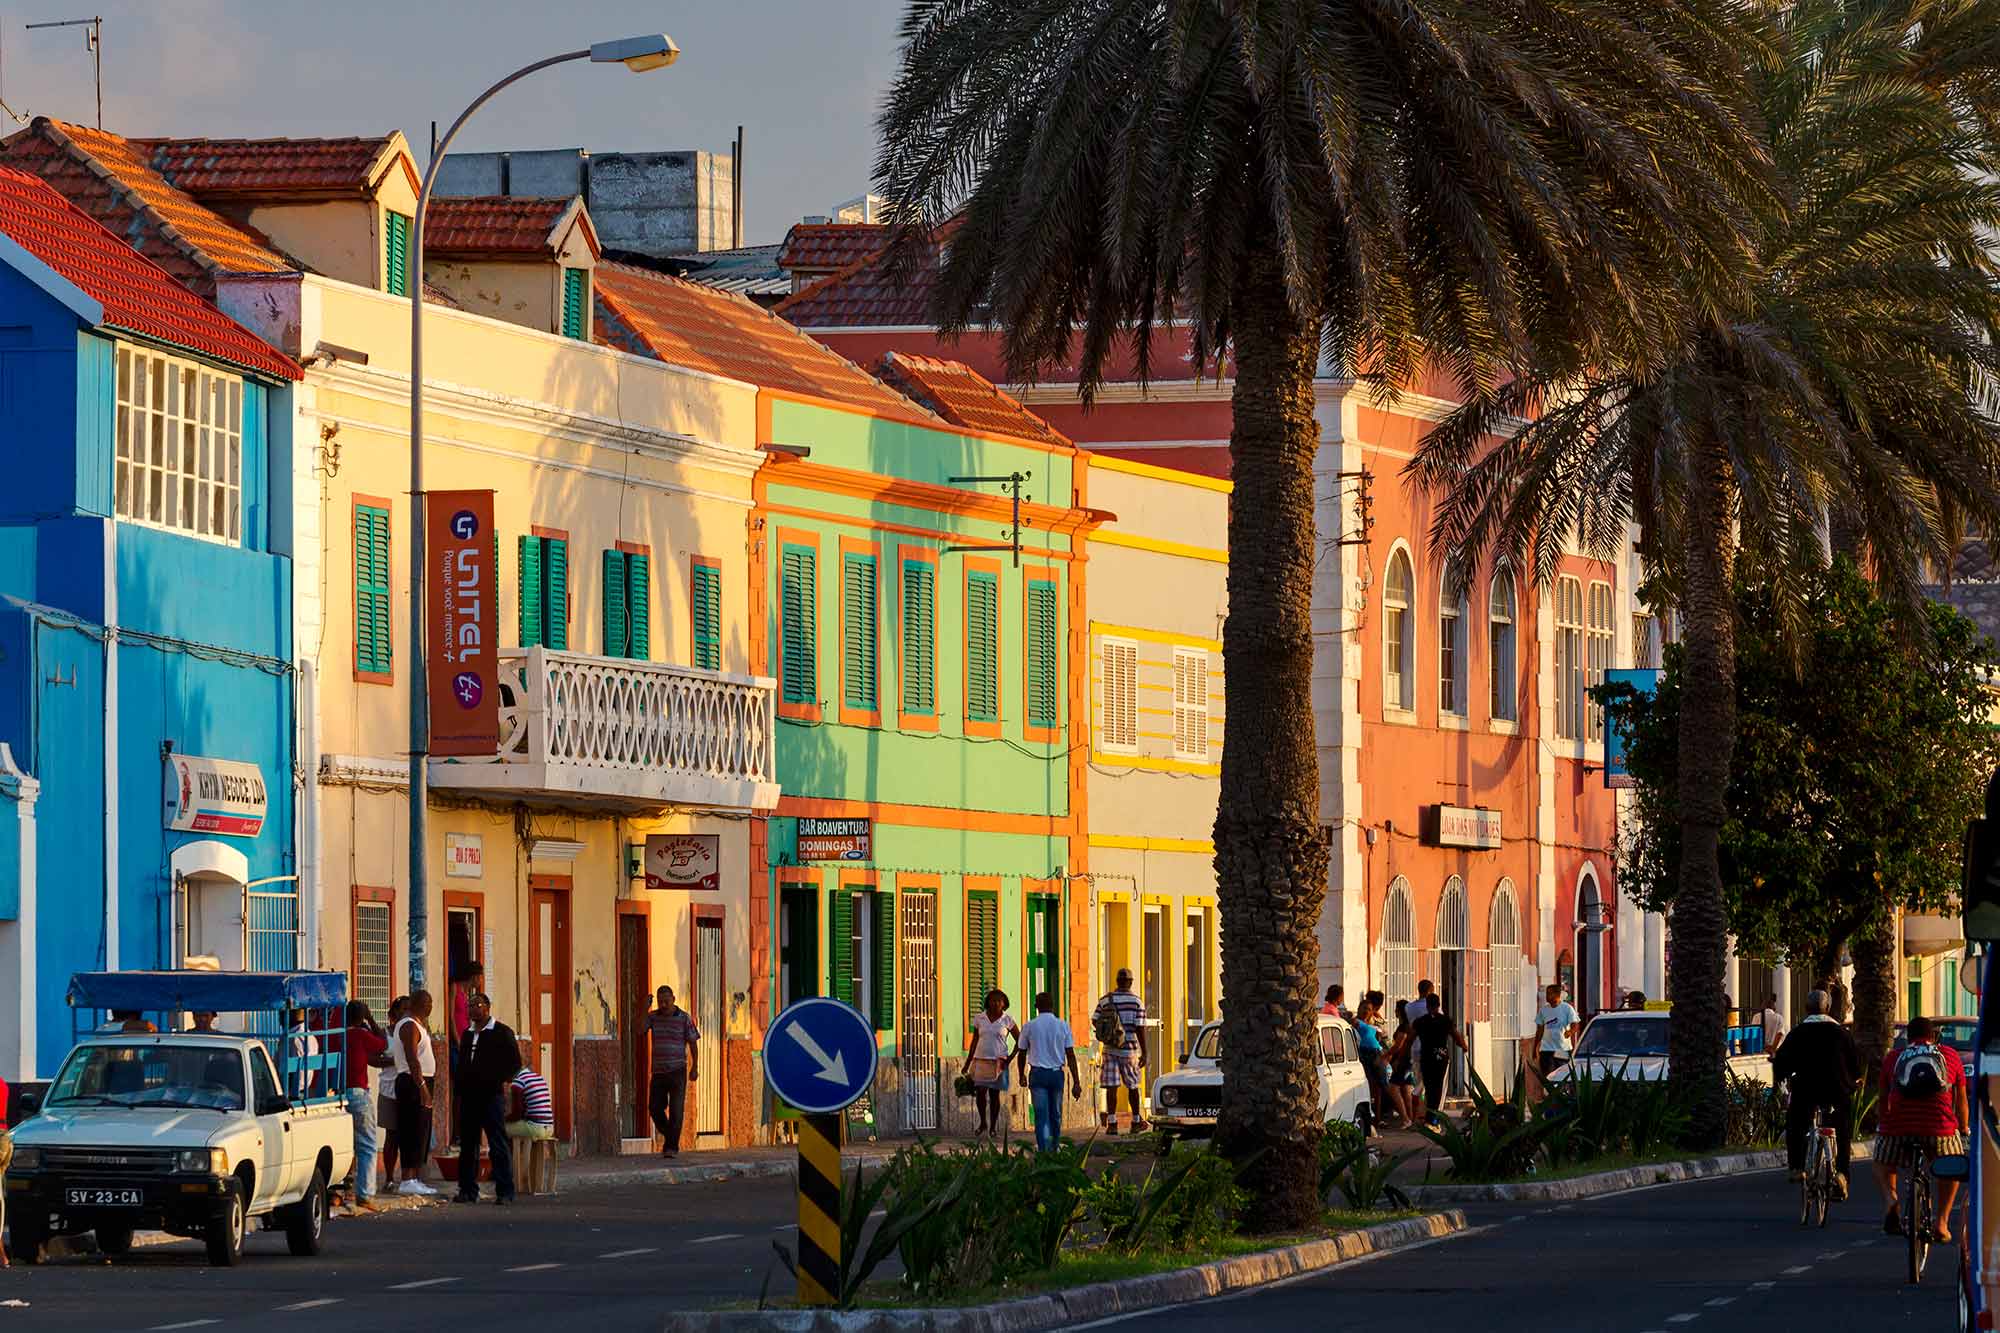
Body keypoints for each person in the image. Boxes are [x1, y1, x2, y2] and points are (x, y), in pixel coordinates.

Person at [1875, 1015, 1969, 1241]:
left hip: (1898, 1128)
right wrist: (1963, 1128)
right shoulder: (1950, 1056)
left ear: (1908, 1037)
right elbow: (1961, 1102)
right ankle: (1942, 1222)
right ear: (1934, 1037)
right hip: (1940, 1128)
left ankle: (1891, 1200)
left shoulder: (1894, 1058)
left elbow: (1883, 1098)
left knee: (1881, 1163)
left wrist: (1884, 1124)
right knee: (1952, 1164)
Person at [1771, 988, 1859, 1198]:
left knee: (1796, 1122)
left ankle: (1797, 1167)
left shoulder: (1798, 1033)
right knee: (1843, 1128)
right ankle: (1842, 1174)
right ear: (1828, 1008)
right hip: (1837, 1090)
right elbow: (1855, 1066)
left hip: (1807, 1089)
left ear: (1806, 1009)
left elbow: (1782, 1063)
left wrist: (1782, 1075)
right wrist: (1853, 1082)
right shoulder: (1842, 1034)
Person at [454, 992, 521, 1205]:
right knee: (468, 1145)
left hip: (491, 1096)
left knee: (497, 1143)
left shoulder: (501, 1032)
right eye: (470, 1006)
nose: (473, 1009)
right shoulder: (467, 1034)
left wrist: (498, 1079)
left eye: (477, 1005)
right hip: (469, 1097)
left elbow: (514, 1063)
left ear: (487, 1007)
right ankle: (467, 1189)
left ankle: (505, 1191)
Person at [341, 1000, 392, 1214]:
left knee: (344, 1146)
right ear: (362, 1018)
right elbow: (384, 1043)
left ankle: (341, 1193)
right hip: (358, 1095)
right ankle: (364, 1194)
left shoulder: (337, 1034)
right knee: (367, 1146)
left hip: (337, 1095)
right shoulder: (361, 1035)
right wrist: (370, 1019)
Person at [386, 990, 438, 1197]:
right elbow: (412, 1059)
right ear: (416, 1004)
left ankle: (414, 1177)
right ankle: (407, 1178)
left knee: (421, 1131)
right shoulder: (409, 1025)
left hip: (420, 1081)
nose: (430, 1006)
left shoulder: (418, 1024)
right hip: (412, 1083)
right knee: (411, 1130)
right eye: (427, 1002)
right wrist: (422, 1087)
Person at [1016, 991, 1082, 1152]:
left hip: (1037, 1074)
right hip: (1056, 1074)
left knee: (1041, 1115)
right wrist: (1076, 1082)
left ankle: (1043, 1149)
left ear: (1036, 1006)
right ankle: (1054, 1146)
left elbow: (1022, 1052)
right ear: (1053, 1006)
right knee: (1055, 1114)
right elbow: (1070, 1055)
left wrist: (1021, 1075)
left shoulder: (1029, 1026)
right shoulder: (1063, 1025)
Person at [645, 984, 700, 1158]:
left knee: (676, 1110)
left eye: (666, 1001)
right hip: (658, 1071)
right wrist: (644, 1008)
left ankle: (671, 1148)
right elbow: (639, 1029)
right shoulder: (653, 1017)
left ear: (673, 999)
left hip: (677, 1070)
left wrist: (695, 1066)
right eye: (660, 1002)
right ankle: (671, 1136)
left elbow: (692, 1042)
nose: (663, 1005)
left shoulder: (684, 1018)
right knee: (654, 1108)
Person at [1092, 968, 1149, 1135]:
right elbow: (1140, 1028)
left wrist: (1110, 1035)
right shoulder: (1137, 1002)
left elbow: (1095, 1021)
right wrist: (1145, 1052)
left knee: (1111, 1087)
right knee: (1133, 1086)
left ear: (1117, 981)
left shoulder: (1105, 1000)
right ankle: (1136, 1121)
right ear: (1130, 982)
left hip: (1110, 1050)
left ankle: (1112, 1124)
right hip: (1129, 1051)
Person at [964, 989, 1019, 1139]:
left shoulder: (1008, 1020)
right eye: (993, 1000)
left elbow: (1020, 1040)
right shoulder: (979, 1019)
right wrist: (968, 1062)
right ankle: (983, 1122)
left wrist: (1010, 1058)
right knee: (980, 1092)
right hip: (981, 1060)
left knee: (994, 1095)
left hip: (999, 1062)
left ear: (1004, 1004)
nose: (996, 1003)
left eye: (999, 1001)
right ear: (987, 1002)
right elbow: (975, 1040)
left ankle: (993, 1127)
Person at [1412, 992, 1469, 1123]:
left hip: (1426, 1056)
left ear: (1427, 1006)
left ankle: (1430, 1115)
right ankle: (1433, 1117)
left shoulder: (1420, 1022)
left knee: (1429, 1085)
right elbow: (1456, 1036)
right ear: (1438, 1006)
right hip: (1441, 1056)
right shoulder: (1445, 1020)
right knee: (1437, 1087)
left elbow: (1410, 1039)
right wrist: (1464, 1047)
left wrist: (1403, 1054)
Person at [378, 996, 406, 1185]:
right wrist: (395, 1062)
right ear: (393, 1013)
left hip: (408, 1089)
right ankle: (389, 1177)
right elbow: (372, 1058)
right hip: (389, 1090)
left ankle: (408, 1177)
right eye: (402, 1009)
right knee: (392, 1136)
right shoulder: (383, 1034)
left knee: (408, 1136)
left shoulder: (413, 1030)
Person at [1353, 994, 1391, 1129]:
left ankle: (1379, 1118)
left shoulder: (1373, 1024)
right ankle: (1370, 1117)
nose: (1366, 1011)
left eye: (1368, 1009)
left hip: (1376, 1054)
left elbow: (1380, 1039)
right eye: (1364, 1008)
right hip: (1364, 1055)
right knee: (1368, 1086)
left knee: (1380, 1087)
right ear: (1359, 1009)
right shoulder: (1356, 1022)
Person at [1534, 983, 1581, 1079]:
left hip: (1562, 1049)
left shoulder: (1567, 1008)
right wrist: (1535, 1047)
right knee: (1547, 1077)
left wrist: (1570, 1032)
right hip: (1546, 1050)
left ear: (1557, 995)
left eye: (1549, 993)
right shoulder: (1543, 1010)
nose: (1547, 996)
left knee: (1562, 1077)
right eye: (1547, 993)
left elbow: (1575, 1025)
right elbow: (1540, 1030)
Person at [1385, 1000, 1420, 1125]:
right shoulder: (1409, 1025)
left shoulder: (1403, 1027)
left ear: (1399, 1011)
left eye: (1396, 1009)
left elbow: (1399, 1045)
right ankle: (1410, 1118)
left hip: (1402, 1061)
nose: (1394, 1011)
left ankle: (1405, 1118)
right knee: (1406, 1089)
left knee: (1393, 1088)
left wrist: (1387, 1055)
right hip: (1407, 1061)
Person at [506, 1063, 555, 1140]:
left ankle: (510, 1152)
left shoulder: (518, 1082)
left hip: (536, 1129)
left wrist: (504, 1119)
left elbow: (517, 1114)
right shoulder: (539, 1077)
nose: (506, 1081)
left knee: (501, 1128)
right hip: (550, 1129)